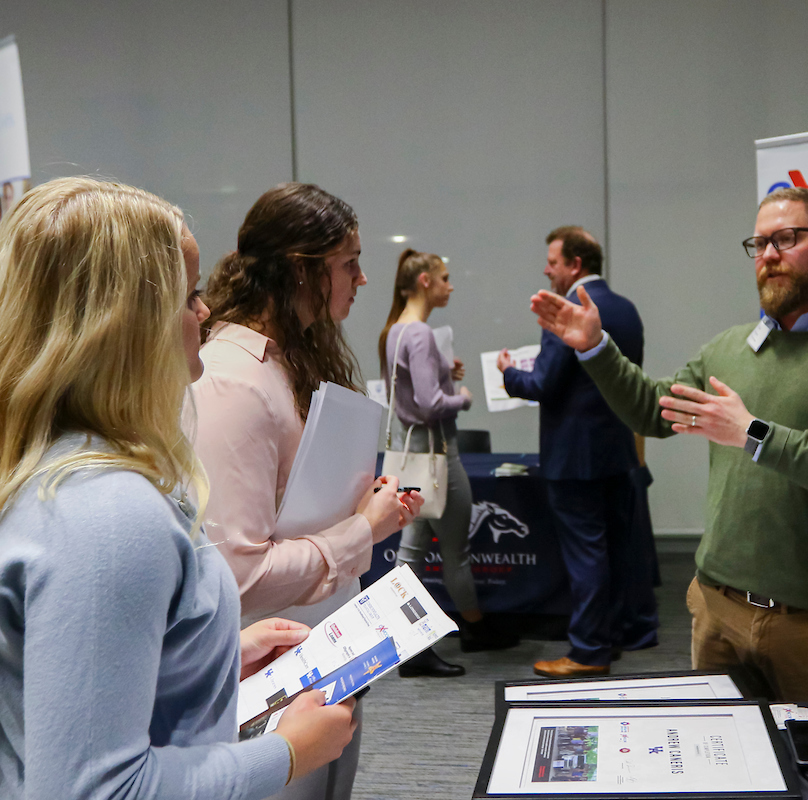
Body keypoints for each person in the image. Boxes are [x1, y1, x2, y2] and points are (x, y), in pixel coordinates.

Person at [0, 177, 356, 799]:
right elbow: (95, 790)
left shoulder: (66, 473)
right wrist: (288, 753)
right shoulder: (106, 512)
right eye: (188, 296)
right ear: (125, 327)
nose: (206, 312)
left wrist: (209, 657)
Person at [528, 188, 808, 702]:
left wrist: (752, 433)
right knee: (727, 773)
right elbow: (654, 410)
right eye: (759, 243)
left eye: (786, 238)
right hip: (718, 613)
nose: (768, 255)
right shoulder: (730, 347)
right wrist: (597, 350)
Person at [192, 183, 422, 800]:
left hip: (321, 645)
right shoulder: (233, 381)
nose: (363, 278)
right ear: (301, 268)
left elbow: (294, 514)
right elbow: (237, 575)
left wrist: (365, 507)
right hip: (269, 668)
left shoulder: (287, 361)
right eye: (348, 263)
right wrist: (363, 530)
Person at [498, 226, 657, 678]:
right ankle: (622, 633)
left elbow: (543, 385)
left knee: (586, 555)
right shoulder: (626, 310)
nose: (547, 270)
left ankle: (589, 651)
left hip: (573, 458)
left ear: (575, 266)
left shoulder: (568, 312)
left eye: (552, 262)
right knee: (616, 550)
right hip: (618, 452)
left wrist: (510, 373)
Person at [378, 249, 519, 676]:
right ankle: (473, 629)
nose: (450, 285)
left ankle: (410, 644)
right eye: (444, 278)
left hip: (413, 450)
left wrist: (445, 373)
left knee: (411, 551)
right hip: (438, 451)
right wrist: (463, 397)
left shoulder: (394, 331)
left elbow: (410, 395)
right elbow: (429, 403)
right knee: (454, 551)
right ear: (424, 281)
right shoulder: (420, 334)